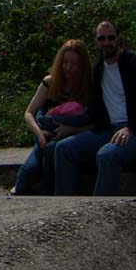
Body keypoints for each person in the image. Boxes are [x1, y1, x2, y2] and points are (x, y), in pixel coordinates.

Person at [54, 21, 136, 196]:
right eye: (101, 38)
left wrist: (130, 128)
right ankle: (68, 209)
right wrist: (70, 127)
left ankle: (100, 214)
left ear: (118, 38)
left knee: (107, 155)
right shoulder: (98, 71)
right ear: (96, 41)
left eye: (110, 38)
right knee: (63, 149)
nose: (106, 42)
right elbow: (93, 112)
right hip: (107, 130)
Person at [11, 39, 94, 195]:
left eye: (74, 64)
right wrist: (39, 132)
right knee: (29, 171)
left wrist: (72, 129)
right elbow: (29, 113)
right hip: (45, 136)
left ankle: (49, 192)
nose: (68, 68)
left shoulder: (88, 87)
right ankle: (18, 189)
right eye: (65, 62)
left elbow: (96, 122)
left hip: (70, 137)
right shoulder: (50, 82)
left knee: (53, 153)